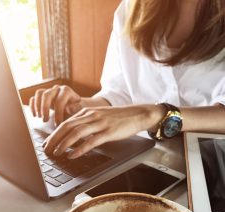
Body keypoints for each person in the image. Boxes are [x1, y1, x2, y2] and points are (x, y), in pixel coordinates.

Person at [29, 0, 225, 159]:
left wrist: (153, 115)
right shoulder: (130, 9)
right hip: (145, 160)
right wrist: (82, 107)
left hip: (210, 171)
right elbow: (119, 93)